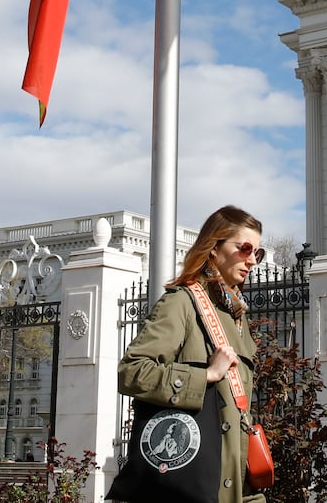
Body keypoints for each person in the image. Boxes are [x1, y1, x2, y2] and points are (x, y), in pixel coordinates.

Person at [114, 205, 266, 503]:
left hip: (235, 485)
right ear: (213, 248)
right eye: (244, 248)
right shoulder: (181, 304)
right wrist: (205, 376)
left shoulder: (236, 315)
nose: (251, 260)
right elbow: (131, 372)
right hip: (189, 482)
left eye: (257, 253)